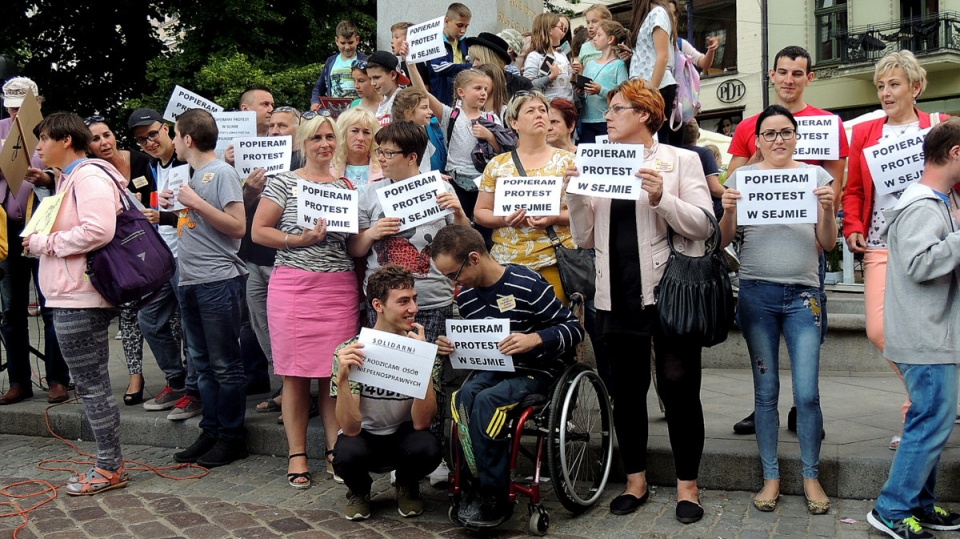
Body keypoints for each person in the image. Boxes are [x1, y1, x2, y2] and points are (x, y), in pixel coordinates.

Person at [565, 78, 713, 523]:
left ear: (644, 115)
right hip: (616, 293)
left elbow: (703, 226)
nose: (606, 117)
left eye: (615, 108)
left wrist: (661, 197)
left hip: (667, 293)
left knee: (679, 390)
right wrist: (574, 194)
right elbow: (582, 236)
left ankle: (688, 485)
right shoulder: (598, 160)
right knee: (627, 394)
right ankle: (636, 480)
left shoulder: (681, 161)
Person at [719, 105, 836, 516]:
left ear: (796, 135)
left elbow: (829, 242)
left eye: (785, 132)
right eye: (769, 134)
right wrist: (729, 210)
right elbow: (723, 241)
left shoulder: (816, 177)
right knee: (765, 393)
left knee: (806, 392)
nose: (778, 140)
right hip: (757, 295)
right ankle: (771, 476)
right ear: (758, 140)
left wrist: (826, 209)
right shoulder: (741, 179)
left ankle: (810, 474)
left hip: (804, 297)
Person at [728, 45, 849, 436]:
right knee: (761, 343)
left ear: (809, 78)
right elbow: (729, 180)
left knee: (808, 331)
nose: (789, 79)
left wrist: (824, 218)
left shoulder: (828, 123)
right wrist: (758, 164)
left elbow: (836, 182)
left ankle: (803, 406)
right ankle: (762, 406)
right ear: (772, 75)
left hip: (806, 242)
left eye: (797, 73)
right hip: (760, 247)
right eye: (783, 72)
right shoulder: (750, 126)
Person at [432, 225, 585, 528]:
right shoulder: (467, 298)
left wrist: (536, 339)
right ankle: (472, 481)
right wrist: (450, 345)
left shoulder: (527, 283)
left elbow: (574, 329)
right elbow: (472, 342)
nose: (453, 283)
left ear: (474, 259)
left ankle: (494, 493)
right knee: (462, 397)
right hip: (495, 368)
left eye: (454, 275)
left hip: (540, 369)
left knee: (489, 401)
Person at [348, 120, 469, 487]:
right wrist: (371, 233)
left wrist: (459, 212)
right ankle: (387, 451)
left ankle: (428, 453)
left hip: (433, 298)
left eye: (388, 152)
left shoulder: (439, 187)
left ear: (412, 156)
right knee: (387, 376)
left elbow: (467, 242)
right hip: (384, 305)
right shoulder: (369, 194)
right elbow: (354, 249)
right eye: (378, 151)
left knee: (431, 377)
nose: (381, 158)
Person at [840, 51, 947, 450]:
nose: (886, 92)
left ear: (915, 88)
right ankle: (937, 396)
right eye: (881, 86)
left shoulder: (938, 129)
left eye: (894, 84)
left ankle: (918, 411)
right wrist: (851, 226)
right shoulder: (865, 134)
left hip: (930, 243)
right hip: (882, 244)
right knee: (879, 329)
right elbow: (852, 191)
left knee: (926, 332)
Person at [252, 111, 359, 488]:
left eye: (330, 137)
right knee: (295, 376)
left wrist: (374, 230)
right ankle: (297, 453)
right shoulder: (283, 182)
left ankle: (335, 449)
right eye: (316, 138)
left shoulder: (346, 187)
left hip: (337, 288)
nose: (325, 145)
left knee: (334, 375)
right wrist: (296, 240)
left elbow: (353, 244)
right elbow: (259, 231)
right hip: (294, 288)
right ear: (304, 143)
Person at [865, 118, 960, 539]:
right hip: (927, 337)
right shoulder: (922, 205)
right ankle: (891, 507)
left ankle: (918, 505)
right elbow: (922, 264)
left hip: (932, 334)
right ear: (956, 153)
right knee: (931, 423)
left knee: (932, 422)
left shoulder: (937, 201)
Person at [25, 112, 127, 495]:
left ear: (66, 140)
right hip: (71, 293)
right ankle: (108, 463)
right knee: (91, 383)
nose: (37, 147)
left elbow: (99, 230)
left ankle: (109, 467)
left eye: (44, 138)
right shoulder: (72, 177)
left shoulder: (87, 176)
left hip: (79, 296)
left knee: (92, 384)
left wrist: (44, 243)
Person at [331, 264, 442, 520]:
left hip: (404, 434)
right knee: (346, 454)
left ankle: (407, 483)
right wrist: (344, 379)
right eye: (403, 301)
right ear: (378, 305)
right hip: (364, 434)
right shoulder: (351, 349)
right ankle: (358, 489)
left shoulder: (422, 347)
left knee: (428, 447)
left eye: (414, 299)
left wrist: (422, 362)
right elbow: (349, 428)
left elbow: (423, 421)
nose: (413, 308)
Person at [169, 109, 248, 468]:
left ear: (187, 139)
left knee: (224, 364)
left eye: (174, 135)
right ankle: (212, 429)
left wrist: (196, 203)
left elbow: (237, 227)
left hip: (217, 280)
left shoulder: (223, 172)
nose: (172, 142)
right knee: (202, 365)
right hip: (191, 279)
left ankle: (231, 437)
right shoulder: (196, 175)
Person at [0, 76, 69, 406]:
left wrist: (46, 177)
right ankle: (18, 380)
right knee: (11, 308)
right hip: (7, 232)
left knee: (51, 304)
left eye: (20, 109)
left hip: (43, 228)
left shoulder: (52, 132)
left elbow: (70, 172)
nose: (14, 116)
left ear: (36, 104)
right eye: (10, 109)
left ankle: (57, 378)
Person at [473, 91, 577, 305]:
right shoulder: (497, 164)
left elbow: (587, 213)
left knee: (553, 328)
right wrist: (504, 220)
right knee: (513, 327)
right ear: (514, 122)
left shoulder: (570, 162)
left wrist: (553, 218)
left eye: (543, 110)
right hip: (507, 265)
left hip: (554, 260)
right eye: (530, 111)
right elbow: (480, 212)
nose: (539, 115)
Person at [84, 116, 157, 405]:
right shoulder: (92, 172)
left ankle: (177, 377)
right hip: (119, 250)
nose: (104, 142)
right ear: (87, 147)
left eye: (107, 134)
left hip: (151, 245)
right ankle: (135, 376)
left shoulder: (141, 160)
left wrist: (145, 202)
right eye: (95, 139)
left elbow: (163, 193)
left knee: (165, 315)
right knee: (128, 315)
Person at [126, 108, 191, 419]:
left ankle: (194, 390)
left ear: (166, 129)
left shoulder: (188, 161)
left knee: (191, 326)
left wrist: (162, 216)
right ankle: (176, 380)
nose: (149, 141)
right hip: (162, 256)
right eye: (142, 139)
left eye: (152, 134)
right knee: (149, 319)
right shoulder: (153, 166)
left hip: (187, 256)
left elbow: (198, 211)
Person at [404, 55, 503, 226]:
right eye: (478, 88)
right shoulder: (451, 115)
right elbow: (423, 92)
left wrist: (490, 136)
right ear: (461, 92)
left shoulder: (492, 118)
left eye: (486, 89)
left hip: (484, 183)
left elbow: (502, 151)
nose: (483, 93)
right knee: (460, 228)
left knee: (484, 228)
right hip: (456, 182)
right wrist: (411, 64)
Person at [627, 0, 682, 146]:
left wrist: (652, 92)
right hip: (645, 88)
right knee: (647, 141)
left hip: (657, 86)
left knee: (658, 142)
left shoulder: (658, 13)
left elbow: (662, 56)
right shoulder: (650, 15)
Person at [580, 20, 629, 144]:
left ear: (610, 39)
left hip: (608, 121)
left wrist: (600, 90)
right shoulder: (590, 64)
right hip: (587, 120)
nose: (594, 38)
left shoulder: (619, 65)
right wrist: (580, 91)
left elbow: (623, 94)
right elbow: (584, 93)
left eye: (599, 35)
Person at [311, 20, 367, 108]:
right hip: (335, 111)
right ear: (336, 41)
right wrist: (315, 102)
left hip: (359, 110)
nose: (347, 47)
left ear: (357, 40)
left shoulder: (365, 60)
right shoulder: (330, 61)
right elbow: (319, 87)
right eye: (343, 43)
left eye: (350, 42)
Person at [426, 3, 473, 106]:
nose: (463, 30)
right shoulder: (435, 42)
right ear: (447, 21)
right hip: (441, 101)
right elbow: (438, 67)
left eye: (466, 26)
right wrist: (470, 67)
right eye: (459, 25)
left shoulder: (465, 43)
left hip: (462, 100)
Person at [391, 88, 446, 173]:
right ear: (408, 113)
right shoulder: (402, 139)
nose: (431, 111)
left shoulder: (425, 129)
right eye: (424, 107)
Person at [523, 13, 574, 103]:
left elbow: (569, 81)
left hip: (567, 108)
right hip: (548, 109)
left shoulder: (562, 54)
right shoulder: (534, 56)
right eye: (560, 27)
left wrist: (574, 74)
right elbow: (527, 86)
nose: (563, 32)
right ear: (550, 30)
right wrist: (550, 77)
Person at [465, 32, 533, 97]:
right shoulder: (467, 83)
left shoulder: (521, 85)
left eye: (478, 59)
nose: (474, 65)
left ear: (492, 59)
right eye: (473, 60)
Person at [681, 119, 725, 219]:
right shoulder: (704, 153)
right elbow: (714, 188)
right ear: (698, 135)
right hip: (703, 209)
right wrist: (729, 194)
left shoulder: (671, 151)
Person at [331, 107, 382, 188]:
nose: (360, 138)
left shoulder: (384, 167)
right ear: (343, 133)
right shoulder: (329, 167)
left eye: (366, 132)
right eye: (355, 131)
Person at [366, 51, 411, 127]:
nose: (372, 83)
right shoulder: (384, 101)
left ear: (393, 75)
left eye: (377, 77)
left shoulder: (404, 101)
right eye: (370, 78)